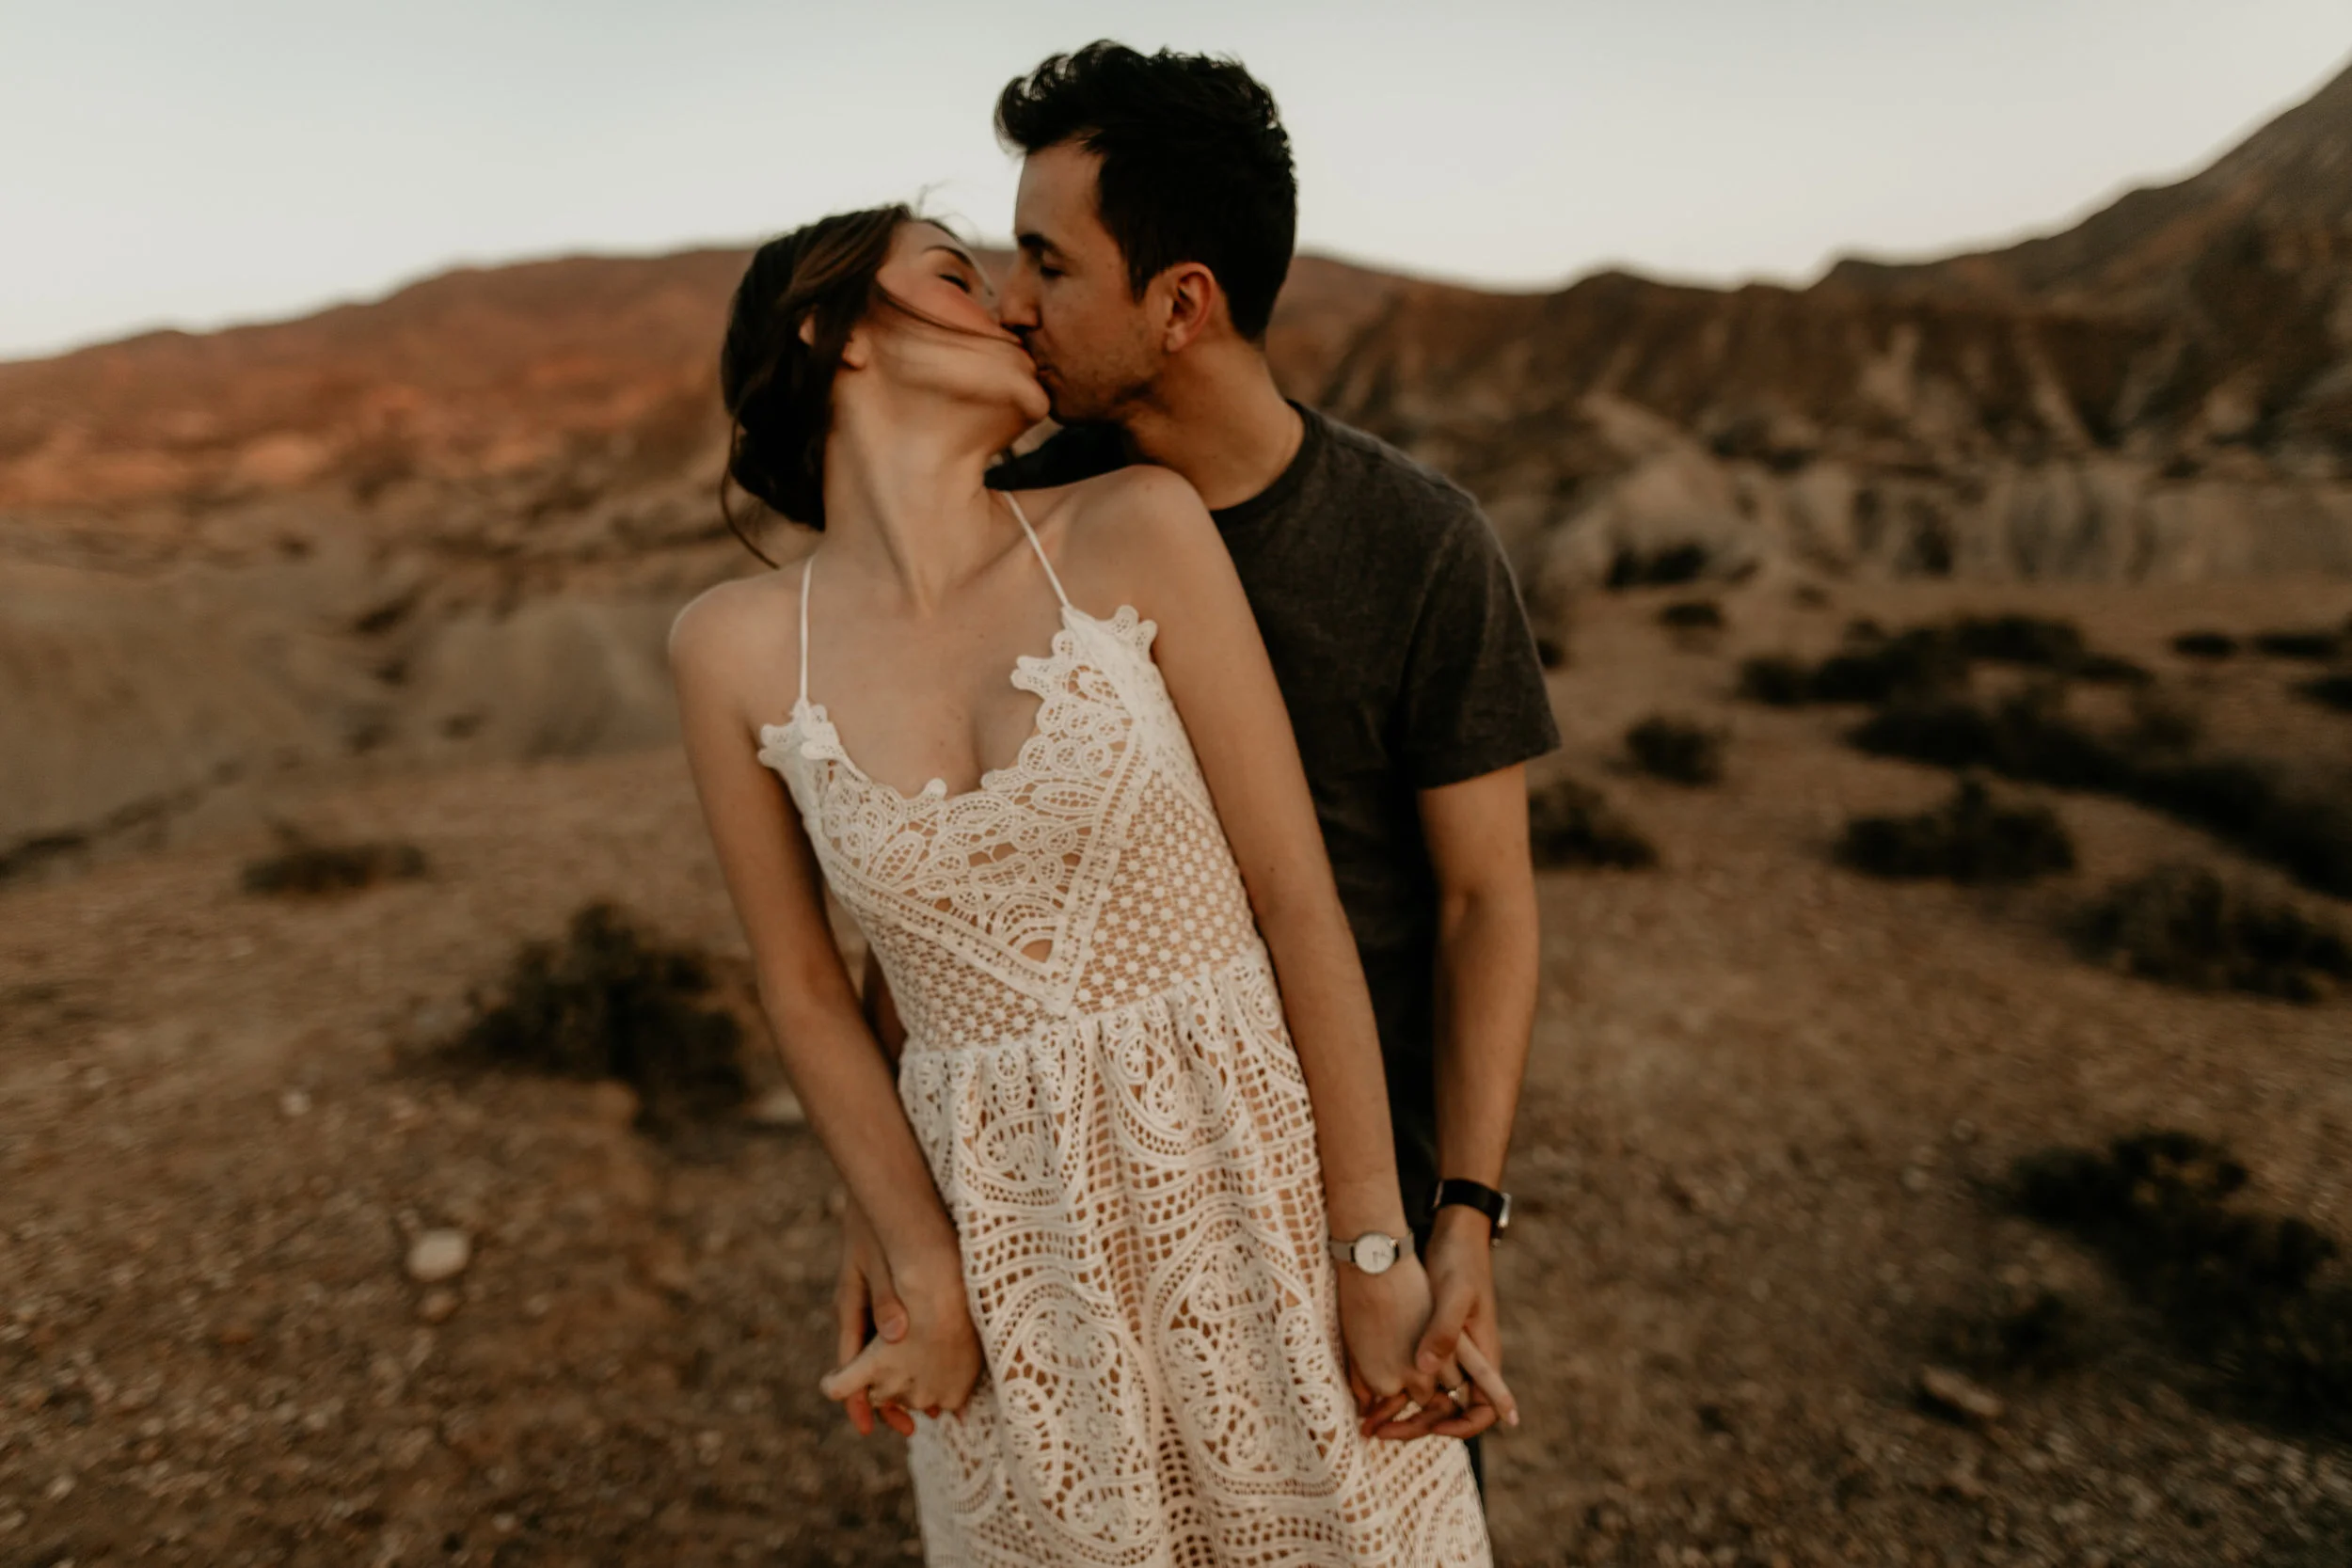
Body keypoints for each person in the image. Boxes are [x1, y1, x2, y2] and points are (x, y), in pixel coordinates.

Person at [669, 205, 1500, 1562]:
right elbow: (809, 989)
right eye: (954, 275)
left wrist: (1372, 1246)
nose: (1007, 307)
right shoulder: (735, 647)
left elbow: (1295, 898)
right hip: (1002, 1250)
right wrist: (914, 1257)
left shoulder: (1131, 527)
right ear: (831, 333)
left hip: (1249, 1182)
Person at [838, 43, 1560, 1484]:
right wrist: (876, 1216)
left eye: (1049, 261)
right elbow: (928, 902)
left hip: (1347, 1221)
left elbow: (1486, 905)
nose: (1010, 301)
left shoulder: (1418, 546)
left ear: (1182, 302)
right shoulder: (1007, 528)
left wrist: (1462, 1212)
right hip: (1069, 1233)